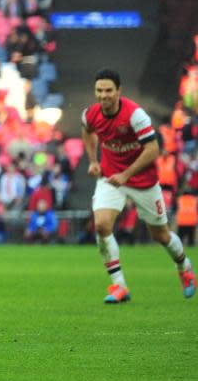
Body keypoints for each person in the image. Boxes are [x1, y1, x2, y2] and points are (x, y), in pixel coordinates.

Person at [81, 68, 195, 304]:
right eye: (99, 91)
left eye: (109, 91)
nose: (104, 96)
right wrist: (93, 161)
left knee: (161, 235)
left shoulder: (135, 115)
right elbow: (87, 130)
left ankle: (184, 267)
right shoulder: (91, 114)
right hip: (111, 178)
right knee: (102, 225)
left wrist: (126, 174)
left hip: (142, 181)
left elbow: (153, 149)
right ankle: (118, 285)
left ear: (118, 91)